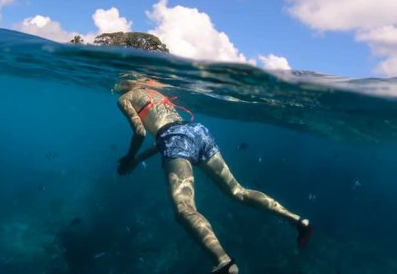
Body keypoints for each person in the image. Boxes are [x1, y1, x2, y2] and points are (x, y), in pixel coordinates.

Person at [113, 77, 313, 274]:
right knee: (238, 191)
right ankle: (298, 221)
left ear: (123, 84)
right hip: (198, 131)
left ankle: (223, 263)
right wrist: (139, 159)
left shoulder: (125, 98)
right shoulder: (154, 93)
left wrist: (130, 157)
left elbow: (141, 132)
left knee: (184, 209)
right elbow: (168, 134)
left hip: (175, 137)